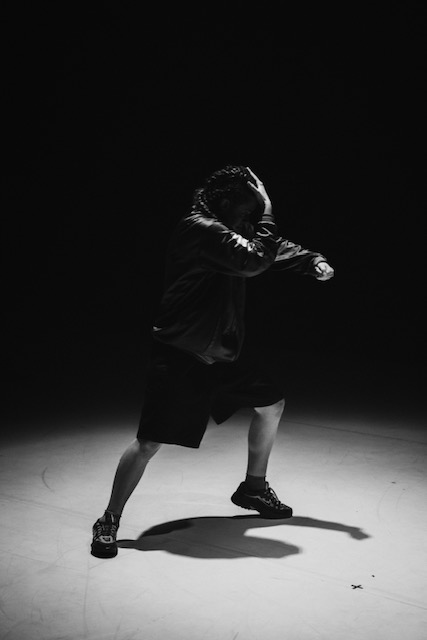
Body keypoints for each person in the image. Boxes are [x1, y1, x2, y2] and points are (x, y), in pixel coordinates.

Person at [91, 165, 334, 558]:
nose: (251, 217)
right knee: (149, 442)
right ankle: (109, 518)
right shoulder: (200, 228)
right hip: (181, 353)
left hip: (221, 353)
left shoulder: (230, 228)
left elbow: (271, 247)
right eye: (247, 210)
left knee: (271, 404)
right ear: (225, 202)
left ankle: (253, 489)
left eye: (254, 212)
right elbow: (254, 259)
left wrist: (312, 261)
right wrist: (270, 209)